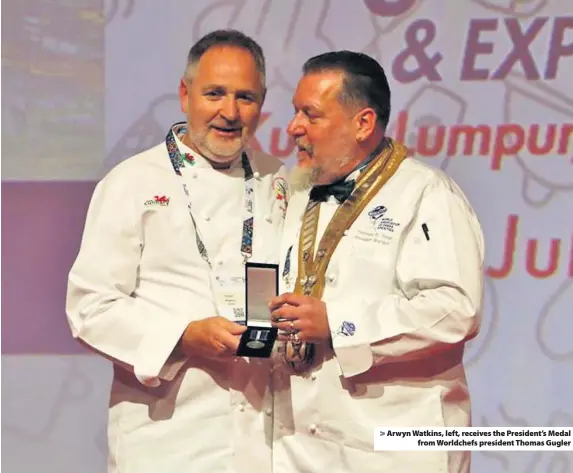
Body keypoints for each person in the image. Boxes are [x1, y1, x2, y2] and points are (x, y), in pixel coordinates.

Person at [66, 30, 289, 473]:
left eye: (245, 97)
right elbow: (90, 307)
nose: (230, 112)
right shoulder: (131, 182)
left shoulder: (281, 179)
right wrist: (184, 336)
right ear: (185, 94)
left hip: (266, 436)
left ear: (262, 104)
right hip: (167, 436)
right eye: (215, 94)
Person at [269, 51, 485, 472]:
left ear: (363, 123)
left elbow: (456, 311)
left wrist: (338, 325)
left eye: (310, 115)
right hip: (301, 445)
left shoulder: (427, 194)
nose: (293, 127)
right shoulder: (295, 194)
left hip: (396, 449)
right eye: (295, 112)